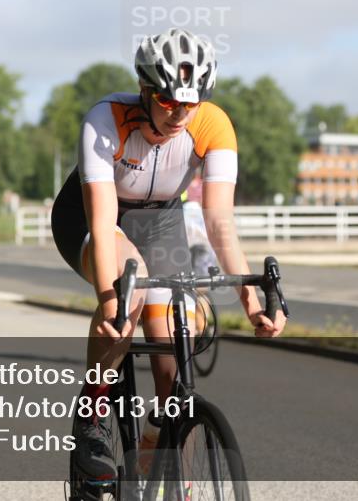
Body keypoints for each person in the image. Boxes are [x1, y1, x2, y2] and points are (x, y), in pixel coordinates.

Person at [51, 28, 286, 480]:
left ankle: (158, 447)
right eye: (167, 100)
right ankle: (94, 414)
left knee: (171, 335)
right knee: (130, 295)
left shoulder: (213, 124)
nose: (179, 113)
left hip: (159, 219)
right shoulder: (105, 119)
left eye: (190, 101)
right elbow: (102, 224)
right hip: (93, 217)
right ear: (144, 90)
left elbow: (219, 220)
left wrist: (251, 302)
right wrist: (110, 300)